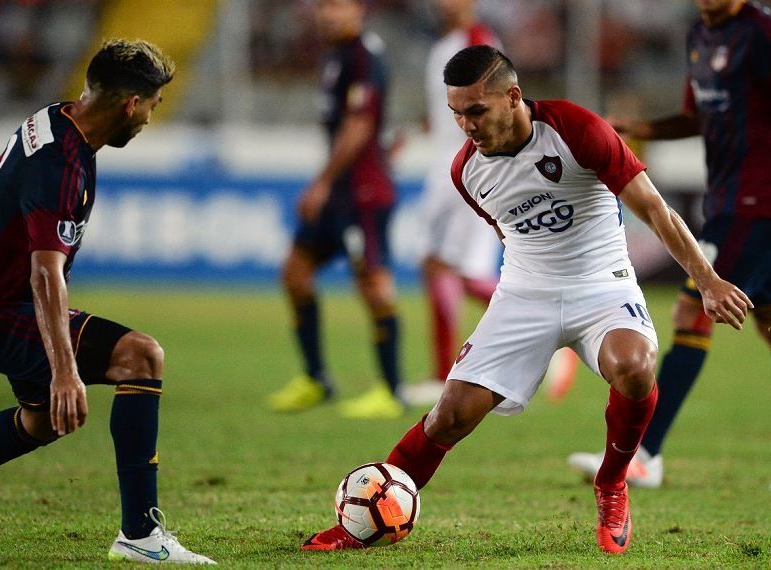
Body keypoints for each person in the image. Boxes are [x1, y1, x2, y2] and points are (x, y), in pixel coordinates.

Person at [300, 45, 751, 555]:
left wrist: (708, 280)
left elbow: (655, 208)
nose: (465, 125)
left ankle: (612, 483)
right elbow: (510, 234)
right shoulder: (467, 172)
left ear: (513, 96)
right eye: (456, 114)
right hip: (524, 293)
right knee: (449, 416)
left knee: (635, 365)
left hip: (603, 283)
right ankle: (367, 516)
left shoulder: (577, 130)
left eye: (476, 111)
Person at [0, 39, 215, 564]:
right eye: (153, 106)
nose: (149, 121)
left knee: (43, 421)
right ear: (130, 105)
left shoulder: (51, 118)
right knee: (141, 356)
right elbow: (46, 273)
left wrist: (1, 249)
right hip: (4, 316)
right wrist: (65, 369)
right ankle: (140, 535)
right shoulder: (61, 165)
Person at [568, 0, 771, 489]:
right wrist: (642, 129)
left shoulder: (760, 33)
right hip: (728, 195)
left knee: (691, 310)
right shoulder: (699, 35)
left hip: (755, 200)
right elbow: (696, 116)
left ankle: (646, 453)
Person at [407, 0, 579, 407]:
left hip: (470, 168)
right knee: (441, 268)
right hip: (442, 168)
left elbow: (498, 107)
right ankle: (555, 332)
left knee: (449, 268)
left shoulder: (477, 41)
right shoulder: (444, 45)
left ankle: (557, 330)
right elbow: (445, 109)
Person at [266, 0, 404, 419]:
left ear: (360, 10)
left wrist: (322, 181)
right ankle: (316, 378)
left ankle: (391, 390)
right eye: (324, 6)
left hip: (360, 194)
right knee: (295, 274)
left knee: (373, 285)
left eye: (339, 6)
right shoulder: (336, 55)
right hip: (340, 192)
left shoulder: (365, 56)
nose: (329, 14)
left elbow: (360, 125)